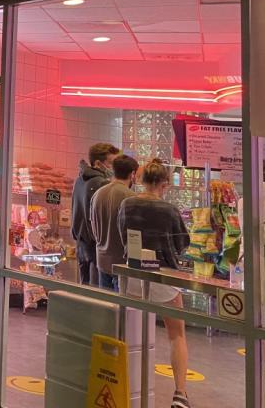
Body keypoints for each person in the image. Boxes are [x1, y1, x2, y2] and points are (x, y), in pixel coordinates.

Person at [118, 159, 192, 408]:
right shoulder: (168, 209)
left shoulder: (127, 204)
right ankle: (180, 394)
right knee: (176, 334)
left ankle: (125, 385)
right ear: (164, 183)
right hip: (162, 276)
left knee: (130, 333)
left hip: (133, 274)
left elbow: (122, 235)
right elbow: (182, 242)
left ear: (140, 180)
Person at [71, 142, 119, 285]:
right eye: (111, 163)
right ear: (98, 163)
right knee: (96, 294)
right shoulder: (101, 183)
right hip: (95, 246)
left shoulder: (79, 180)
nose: (113, 168)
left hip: (81, 243)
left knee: (84, 290)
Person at [90, 154, 138, 291]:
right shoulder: (131, 198)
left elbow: (93, 228)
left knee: (105, 308)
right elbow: (133, 235)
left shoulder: (97, 194)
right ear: (132, 174)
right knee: (121, 309)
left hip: (102, 260)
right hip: (122, 263)